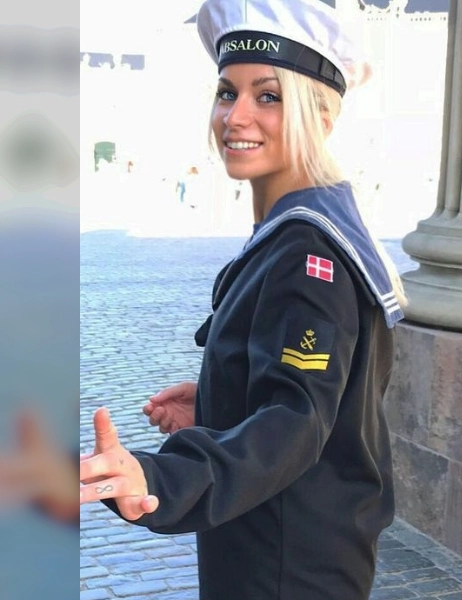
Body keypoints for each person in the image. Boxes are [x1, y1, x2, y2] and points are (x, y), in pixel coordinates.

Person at [79, 1, 405, 599]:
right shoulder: (307, 228)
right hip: (291, 540)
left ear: (320, 118)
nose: (236, 115)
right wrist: (220, 398)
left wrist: (157, 476)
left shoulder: (309, 251)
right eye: (227, 92)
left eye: (269, 96)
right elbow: (324, 395)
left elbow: (295, 422)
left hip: (283, 564)